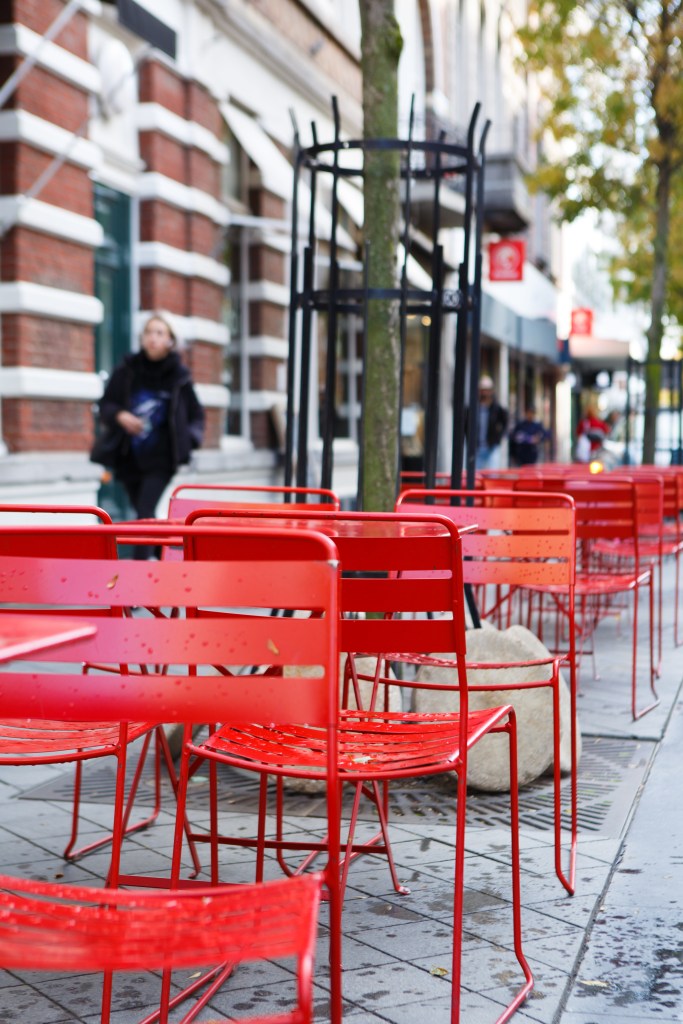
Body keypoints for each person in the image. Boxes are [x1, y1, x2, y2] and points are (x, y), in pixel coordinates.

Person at [97, 313, 205, 557]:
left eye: (159, 333)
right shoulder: (127, 370)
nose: (153, 338)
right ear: (142, 338)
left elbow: (196, 415)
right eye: (148, 332)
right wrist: (120, 416)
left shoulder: (179, 376)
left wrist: (190, 441)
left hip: (162, 459)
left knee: (144, 513)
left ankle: (141, 572)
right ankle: (168, 554)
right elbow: (106, 405)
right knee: (144, 515)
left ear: (170, 340)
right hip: (129, 457)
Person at [475, 374, 508, 469]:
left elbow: (505, 423)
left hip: (492, 447)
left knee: (492, 474)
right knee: (477, 474)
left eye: (487, 390)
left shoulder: (497, 409)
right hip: (477, 448)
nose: (484, 393)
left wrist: (499, 437)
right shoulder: (474, 408)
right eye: (482, 390)